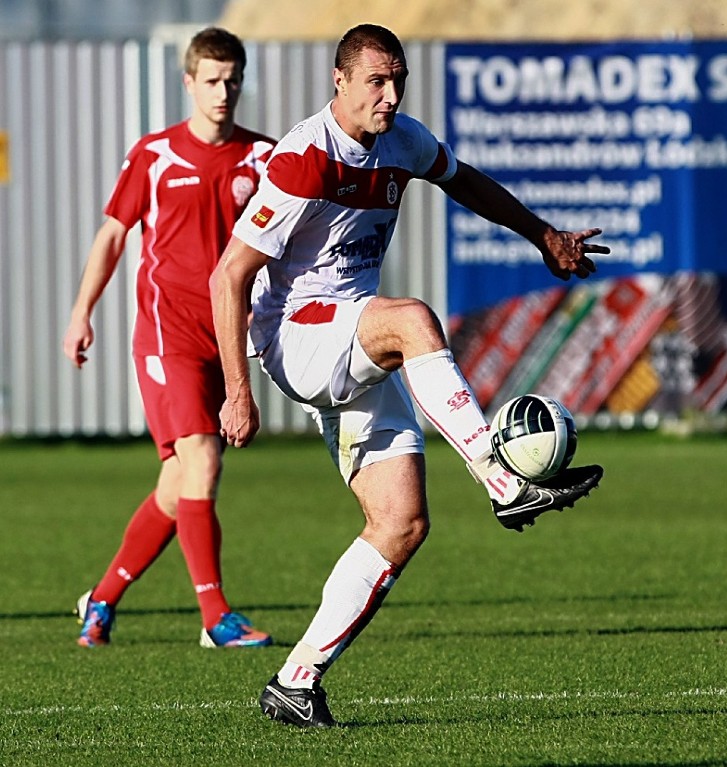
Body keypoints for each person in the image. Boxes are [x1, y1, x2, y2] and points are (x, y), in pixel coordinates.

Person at [210, 23, 607, 726]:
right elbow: (228, 276)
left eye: (398, 82)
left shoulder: (402, 139)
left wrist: (543, 235)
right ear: (340, 81)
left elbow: (467, 182)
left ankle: (297, 680)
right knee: (413, 319)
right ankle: (502, 480)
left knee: (400, 523)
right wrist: (238, 389)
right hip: (295, 335)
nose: (389, 97)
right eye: (375, 82)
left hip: (353, 333)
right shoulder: (306, 157)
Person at [62, 27, 274, 649]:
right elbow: (111, 237)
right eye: (211, 80)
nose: (223, 91)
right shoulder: (154, 155)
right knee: (202, 461)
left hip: (224, 337)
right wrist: (82, 312)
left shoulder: (262, 158)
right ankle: (215, 618)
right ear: (188, 83)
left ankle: (100, 601)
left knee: (177, 487)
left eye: (232, 79)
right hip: (166, 332)